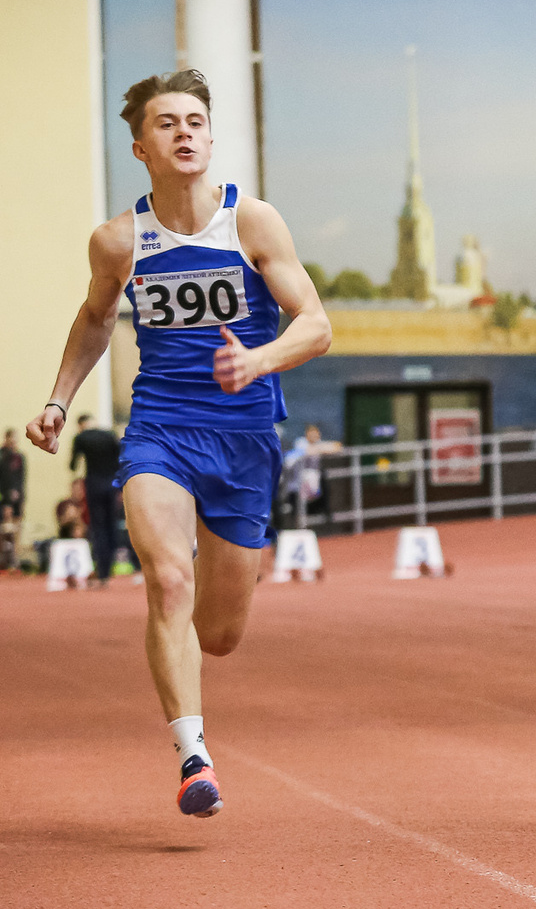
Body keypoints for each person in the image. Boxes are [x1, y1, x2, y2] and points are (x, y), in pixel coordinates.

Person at [25, 70, 331, 818]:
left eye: (196, 120)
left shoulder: (252, 222)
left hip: (245, 437)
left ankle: (182, 656)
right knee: (166, 581)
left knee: (218, 634)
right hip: (160, 428)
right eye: (168, 123)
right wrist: (58, 400)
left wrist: (258, 359)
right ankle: (194, 755)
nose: (185, 132)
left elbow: (316, 324)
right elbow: (95, 319)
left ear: (211, 137)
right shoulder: (118, 240)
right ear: (141, 146)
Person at [67, 412, 122, 585]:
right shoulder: (109, 435)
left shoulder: (81, 438)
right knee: (111, 525)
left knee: (98, 528)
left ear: (80, 424)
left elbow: (73, 465)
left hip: (94, 483)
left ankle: (102, 572)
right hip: (112, 483)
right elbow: (120, 457)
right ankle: (110, 566)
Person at [281, 422, 338, 531]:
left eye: (316, 434)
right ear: (306, 434)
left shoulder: (318, 443)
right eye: (311, 434)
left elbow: (337, 446)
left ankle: (321, 516)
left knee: (323, 483)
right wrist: (320, 449)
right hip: (294, 482)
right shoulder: (300, 442)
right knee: (296, 505)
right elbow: (306, 451)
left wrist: (321, 448)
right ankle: (298, 526)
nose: (314, 436)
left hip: (310, 484)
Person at [0, 426, 24, 570]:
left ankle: (15, 559)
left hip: (17, 499)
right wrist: (7, 501)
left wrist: (21, 498)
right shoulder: (2, 456)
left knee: (16, 529)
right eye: (11, 438)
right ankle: (3, 558)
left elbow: (21, 479)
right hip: (4, 499)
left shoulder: (19, 457)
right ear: (6, 438)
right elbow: (4, 479)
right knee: (4, 530)